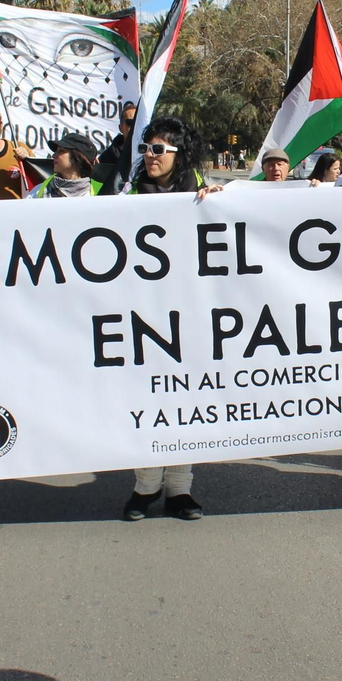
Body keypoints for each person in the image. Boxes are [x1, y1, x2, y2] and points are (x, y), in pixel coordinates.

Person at [121, 115, 220, 522]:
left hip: (191, 317)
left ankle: (180, 489)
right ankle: (146, 486)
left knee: (186, 402)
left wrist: (219, 203)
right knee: (147, 402)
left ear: (179, 156)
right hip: (142, 316)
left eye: (158, 149)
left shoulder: (203, 196)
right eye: (146, 148)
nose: (149, 155)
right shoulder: (123, 194)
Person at [30, 133, 101, 198]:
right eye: (56, 151)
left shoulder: (101, 193)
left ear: (78, 157)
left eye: (61, 151)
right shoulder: (38, 191)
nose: (53, 155)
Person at [94, 100, 138, 194]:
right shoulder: (106, 159)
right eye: (130, 123)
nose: (135, 127)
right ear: (121, 128)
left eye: (138, 122)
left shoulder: (152, 154)